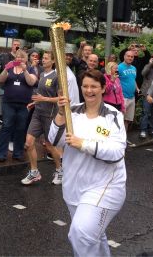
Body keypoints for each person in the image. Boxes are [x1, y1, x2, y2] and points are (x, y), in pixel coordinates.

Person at [48, 69, 127, 256]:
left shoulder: (112, 115)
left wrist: (84, 144)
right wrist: (60, 113)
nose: (89, 90)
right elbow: (54, 141)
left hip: (105, 186)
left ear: (103, 89)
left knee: (81, 234)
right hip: (74, 187)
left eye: (94, 86)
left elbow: (117, 152)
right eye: (85, 86)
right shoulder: (72, 112)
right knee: (93, 237)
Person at [21, 51, 62, 185]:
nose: (43, 60)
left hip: (49, 115)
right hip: (37, 113)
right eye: (42, 58)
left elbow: (61, 98)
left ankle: (59, 170)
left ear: (53, 61)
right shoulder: (42, 74)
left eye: (46, 58)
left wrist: (43, 99)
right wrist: (34, 102)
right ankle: (34, 172)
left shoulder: (57, 77)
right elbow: (41, 94)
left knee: (49, 146)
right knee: (28, 143)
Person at [0, 49, 37, 162]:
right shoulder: (10, 68)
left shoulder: (30, 69)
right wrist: (6, 69)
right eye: (18, 56)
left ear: (26, 59)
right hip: (8, 103)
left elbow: (31, 82)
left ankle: (18, 153)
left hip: (24, 104)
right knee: (7, 126)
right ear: (15, 58)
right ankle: (1, 153)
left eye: (22, 57)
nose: (20, 59)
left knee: (20, 128)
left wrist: (25, 71)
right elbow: (1, 79)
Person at [118, 50, 140, 145]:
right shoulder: (119, 67)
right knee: (120, 119)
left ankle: (124, 138)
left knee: (127, 120)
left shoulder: (134, 68)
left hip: (132, 97)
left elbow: (133, 80)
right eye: (128, 56)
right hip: (123, 97)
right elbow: (115, 81)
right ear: (124, 56)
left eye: (132, 57)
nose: (130, 58)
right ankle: (119, 139)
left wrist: (137, 88)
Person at [139, 53, 153, 138]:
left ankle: (151, 129)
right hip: (147, 92)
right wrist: (150, 64)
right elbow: (143, 73)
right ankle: (143, 130)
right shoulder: (148, 66)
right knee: (146, 112)